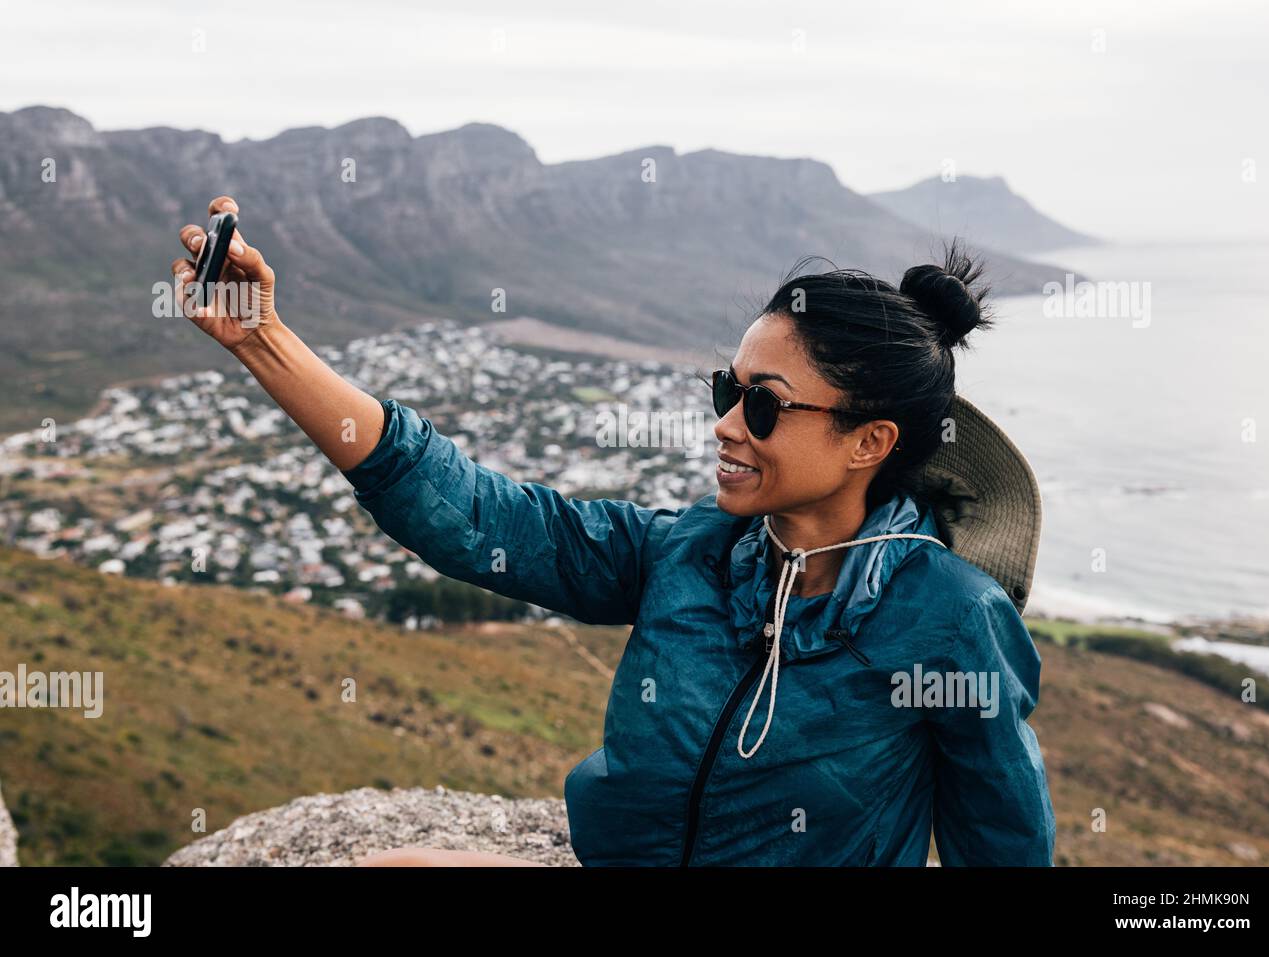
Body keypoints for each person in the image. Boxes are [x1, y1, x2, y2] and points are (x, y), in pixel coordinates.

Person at [170, 195, 1056, 866]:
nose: (725, 423)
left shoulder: (953, 616)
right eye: (727, 388)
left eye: (763, 404)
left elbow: (1004, 844)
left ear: (870, 440)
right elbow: (473, 515)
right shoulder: (687, 553)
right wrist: (264, 342)